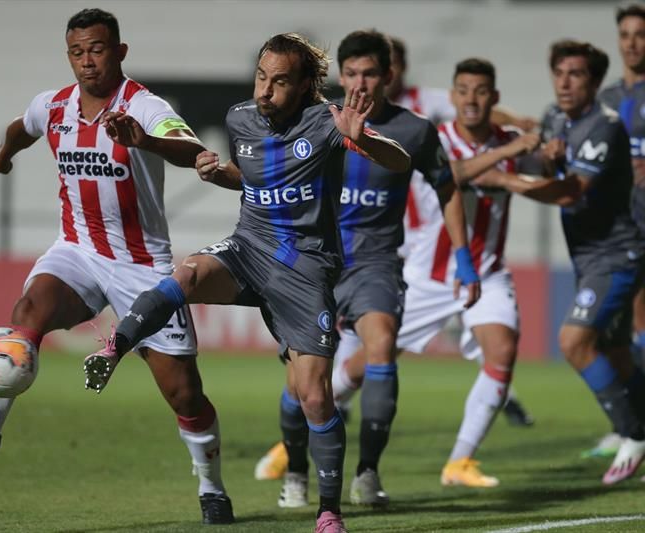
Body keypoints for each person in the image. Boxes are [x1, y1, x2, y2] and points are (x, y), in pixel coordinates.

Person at [82, 32, 410, 533]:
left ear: (304, 87)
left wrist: (361, 137)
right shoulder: (240, 119)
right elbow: (259, 178)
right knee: (188, 272)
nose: (265, 91)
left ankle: (328, 511)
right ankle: (115, 346)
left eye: (279, 82)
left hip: (304, 269)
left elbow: (400, 162)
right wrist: (220, 174)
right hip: (249, 248)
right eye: (261, 77)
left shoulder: (328, 121)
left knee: (315, 397)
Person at [0, 8, 237, 524]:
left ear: (119, 52)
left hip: (141, 266)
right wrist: (3, 156)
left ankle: (211, 487)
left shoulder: (143, 105)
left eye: (97, 50)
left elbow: (190, 149)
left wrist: (144, 141)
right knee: (28, 309)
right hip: (77, 250)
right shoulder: (53, 106)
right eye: (77, 52)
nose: (87, 62)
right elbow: (20, 127)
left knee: (183, 392)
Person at [254, 31, 478, 509]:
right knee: (301, 383)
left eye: (370, 73)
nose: (360, 82)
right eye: (351, 72)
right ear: (340, 75)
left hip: (375, 263)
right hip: (315, 264)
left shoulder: (414, 131)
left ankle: (368, 473)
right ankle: (295, 473)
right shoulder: (318, 120)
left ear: (389, 76)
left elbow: (448, 187)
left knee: (382, 345)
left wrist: (463, 258)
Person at [474, 39, 645, 484]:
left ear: (593, 82)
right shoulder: (553, 117)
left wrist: (508, 180)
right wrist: (542, 162)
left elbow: (572, 192)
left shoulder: (604, 126)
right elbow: (549, 170)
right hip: (588, 256)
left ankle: (634, 433)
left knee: (572, 340)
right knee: (616, 352)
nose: (565, 83)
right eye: (560, 73)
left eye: (577, 74)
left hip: (617, 254)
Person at [389, 36, 536, 427]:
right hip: (392, 238)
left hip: (427, 237)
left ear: (400, 68)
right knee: (374, 335)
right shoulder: (359, 109)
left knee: (468, 323)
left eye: (391, 65)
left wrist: (516, 124)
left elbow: (476, 104)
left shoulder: (425, 100)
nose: (385, 73)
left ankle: (504, 394)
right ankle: (335, 400)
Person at [584, 3, 645, 460]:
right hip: (616, 233)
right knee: (612, 339)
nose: (632, 42)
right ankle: (629, 425)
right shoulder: (603, 99)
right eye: (625, 34)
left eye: (640, 34)